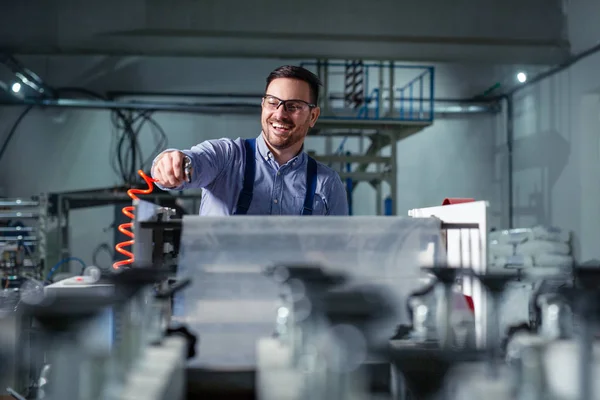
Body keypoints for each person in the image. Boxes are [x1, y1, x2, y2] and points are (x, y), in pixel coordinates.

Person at [151, 65, 349, 216]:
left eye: (294, 106)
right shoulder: (226, 157)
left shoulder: (328, 183)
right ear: (263, 106)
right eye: (273, 103)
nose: (280, 114)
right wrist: (170, 163)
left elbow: (340, 248)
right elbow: (193, 161)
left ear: (313, 116)